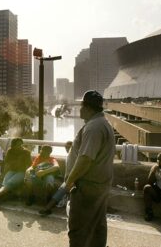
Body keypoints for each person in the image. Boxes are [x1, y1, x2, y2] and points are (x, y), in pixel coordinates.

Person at [65, 90, 115, 247]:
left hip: (87, 186)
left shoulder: (93, 127)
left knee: (78, 229)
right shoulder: (103, 123)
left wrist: (69, 180)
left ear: (86, 107)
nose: (79, 109)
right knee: (96, 227)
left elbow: (86, 159)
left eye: (81, 105)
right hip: (99, 185)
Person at [0, 138, 32, 208]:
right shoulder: (10, 151)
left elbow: (28, 166)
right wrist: (3, 174)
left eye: (20, 144)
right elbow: (6, 164)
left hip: (22, 172)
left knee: (10, 183)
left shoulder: (26, 152)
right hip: (12, 171)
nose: (19, 146)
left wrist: (27, 176)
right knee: (5, 183)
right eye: (17, 145)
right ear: (13, 145)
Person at [39, 141, 73, 216]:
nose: (67, 149)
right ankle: (47, 207)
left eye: (69, 147)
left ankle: (47, 208)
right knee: (61, 188)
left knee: (61, 189)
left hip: (74, 180)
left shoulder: (75, 156)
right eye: (66, 147)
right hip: (68, 180)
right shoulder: (69, 156)